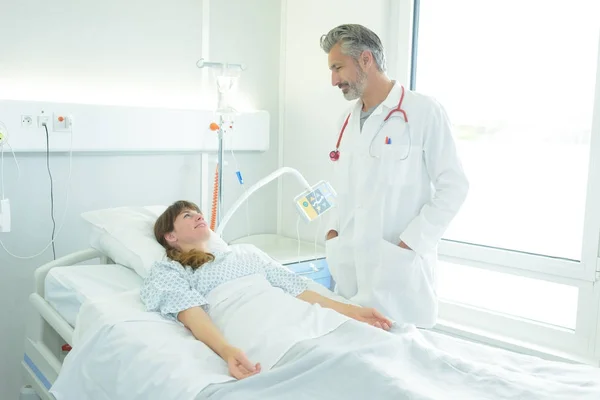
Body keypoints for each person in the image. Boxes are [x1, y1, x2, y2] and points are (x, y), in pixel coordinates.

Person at [320, 24, 469, 329]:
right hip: (350, 275)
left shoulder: (423, 111)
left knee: (404, 361)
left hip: (399, 277)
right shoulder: (345, 121)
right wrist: (332, 230)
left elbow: (454, 186)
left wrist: (411, 243)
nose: (333, 80)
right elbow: (345, 189)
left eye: (337, 67)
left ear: (365, 60)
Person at [140, 200, 392, 380]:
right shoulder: (170, 270)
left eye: (198, 212)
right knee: (336, 368)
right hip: (260, 325)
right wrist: (227, 351)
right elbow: (192, 314)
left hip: (297, 314)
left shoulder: (245, 253)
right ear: (170, 236)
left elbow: (296, 288)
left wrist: (351, 311)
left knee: (372, 355)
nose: (198, 215)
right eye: (187, 215)